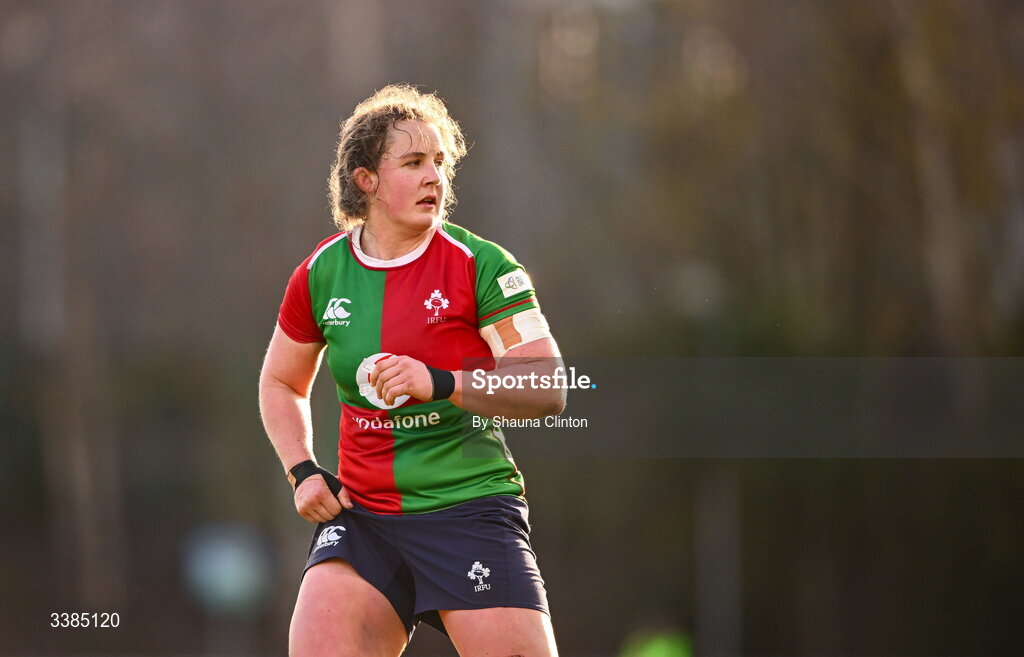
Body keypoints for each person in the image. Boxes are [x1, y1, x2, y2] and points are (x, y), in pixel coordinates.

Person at [259, 84, 565, 657]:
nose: (435, 178)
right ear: (365, 181)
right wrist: (302, 470)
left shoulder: (482, 265)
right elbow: (280, 381)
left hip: (469, 511)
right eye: (413, 163)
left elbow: (548, 385)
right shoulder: (320, 274)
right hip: (365, 519)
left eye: (440, 163)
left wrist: (442, 382)